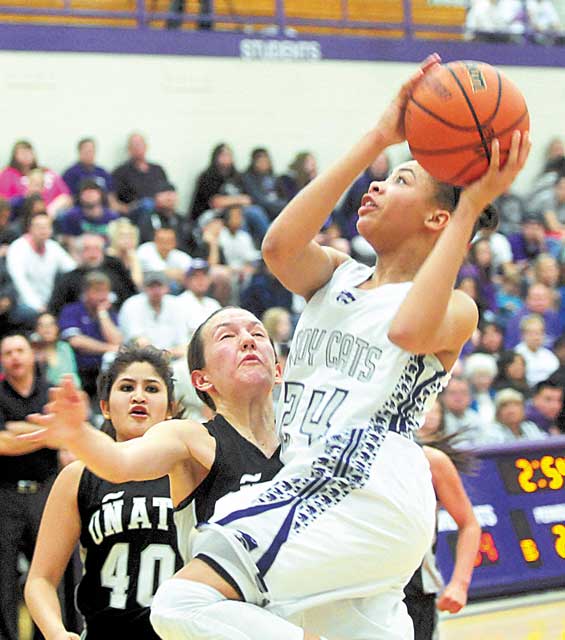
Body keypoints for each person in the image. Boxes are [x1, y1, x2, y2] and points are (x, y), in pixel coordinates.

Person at [138, 54, 528, 640]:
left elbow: (407, 333)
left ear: (435, 219)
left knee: (181, 604)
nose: (376, 182)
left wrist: (470, 208)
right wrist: (380, 133)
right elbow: (277, 248)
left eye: (401, 180)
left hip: (364, 485)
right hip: (318, 487)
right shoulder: (337, 276)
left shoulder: (457, 307)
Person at [22, 306, 285, 624]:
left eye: (258, 333)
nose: (247, 340)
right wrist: (78, 435)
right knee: (176, 606)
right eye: (228, 335)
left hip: (295, 610)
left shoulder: (307, 443)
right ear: (200, 380)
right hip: (173, 624)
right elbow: (118, 463)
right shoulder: (189, 440)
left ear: (280, 369)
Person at [24, 345, 184, 640]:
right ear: (106, 406)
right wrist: (56, 632)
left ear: (170, 409)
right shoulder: (78, 475)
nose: (139, 396)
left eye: (151, 388)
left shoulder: (191, 469)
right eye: (126, 387)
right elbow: (40, 580)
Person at [0, 334, 60, 640]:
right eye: (8, 352)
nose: (15, 357)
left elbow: (64, 437)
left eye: (20, 350)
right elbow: (2, 444)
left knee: (48, 573)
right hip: (6, 494)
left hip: (46, 492)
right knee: (3, 577)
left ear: (31, 354)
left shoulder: (50, 393)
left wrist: (17, 428)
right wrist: (44, 432)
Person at [403, 440, 480, 640]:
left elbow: (469, 524)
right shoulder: (336, 456)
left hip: (414, 591)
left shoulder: (429, 460)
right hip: (358, 587)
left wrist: (459, 585)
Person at [58, 271, 123, 399]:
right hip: (79, 369)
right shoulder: (71, 310)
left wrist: (102, 314)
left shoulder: (109, 313)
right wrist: (108, 348)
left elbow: (116, 341)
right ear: (86, 292)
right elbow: (76, 341)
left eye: (105, 291)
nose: (102, 296)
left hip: (103, 370)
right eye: (97, 291)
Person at [49, 232, 137, 316]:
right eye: (87, 249)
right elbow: (56, 310)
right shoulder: (68, 280)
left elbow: (132, 299)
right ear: (79, 253)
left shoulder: (116, 271)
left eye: (97, 248)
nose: (93, 254)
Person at [6, 210, 76, 316]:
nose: (43, 230)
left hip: (50, 303)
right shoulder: (17, 248)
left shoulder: (53, 246)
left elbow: (72, 269)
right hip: (23, 304)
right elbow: (19, 282)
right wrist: (38, 306)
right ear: (29, 228)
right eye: (39, 226)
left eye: (47, 226)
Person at [118, 271, 188, 360]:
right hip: (139, 358)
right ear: (144, 288)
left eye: (159, 286)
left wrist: (168, 354)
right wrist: (163, 354)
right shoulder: (132, 304)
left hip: (172, 358)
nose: (156, 290)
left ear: (167, 288)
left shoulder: (175, 304)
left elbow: (183, 343)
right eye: (151, 286)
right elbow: (139, 342)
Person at [112, 133, 170, 217]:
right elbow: (112, 200)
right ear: (129, 149)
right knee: (146, 204)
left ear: (146, 146)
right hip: (134, 212)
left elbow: (168, 192)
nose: (137, 148)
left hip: (159, 210)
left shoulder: (158, 169)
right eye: (134, 145)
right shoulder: (120, 172)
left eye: (140, 144)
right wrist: (127, 208)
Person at [55, 180, 119, 248]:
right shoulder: (72, 216)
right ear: (80, 196)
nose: (89, 195)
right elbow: (65, 238)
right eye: (85, 192)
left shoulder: (112, 217)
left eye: (92, 191)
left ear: (101, 194)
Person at [31, 312, 81, 387]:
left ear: (57, 328)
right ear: (36, 330)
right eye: (42, 325)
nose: (47, 329)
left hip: (69, 391)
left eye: (51, 324)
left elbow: (73, 376)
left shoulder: (65, 348)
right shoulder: (32, 352)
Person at [62, 137, 116, 205]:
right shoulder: (70, 174)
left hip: (102, 210)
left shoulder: (102, 172)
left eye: (92, 151)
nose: (90, 154)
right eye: (87, 151)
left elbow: (111, 195)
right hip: (80, 210)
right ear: (79, 152)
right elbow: (68, 198)